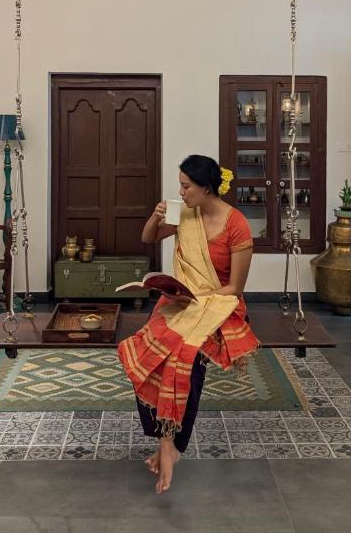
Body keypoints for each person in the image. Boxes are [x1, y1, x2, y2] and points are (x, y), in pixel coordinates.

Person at [118, 154, 259, 494]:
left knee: (187, 355)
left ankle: (172, 445)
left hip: (218, 303)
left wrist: (198, 299)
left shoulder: (236, 224)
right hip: (181, 301)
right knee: (143, 352)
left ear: (206, 188)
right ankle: (165, 439)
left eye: (186, 186)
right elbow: (149, 238)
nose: (181, 192)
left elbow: (235, 288)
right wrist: (155, 215)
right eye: (180, 185)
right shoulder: (186, 214)